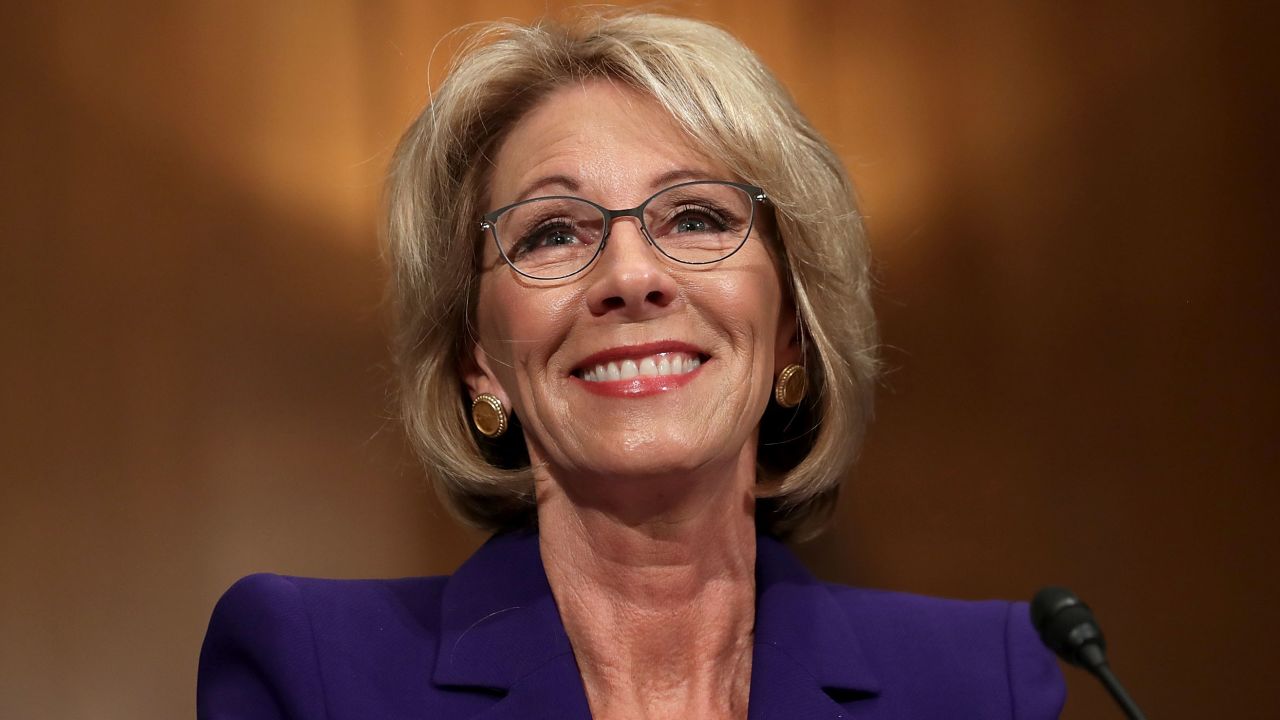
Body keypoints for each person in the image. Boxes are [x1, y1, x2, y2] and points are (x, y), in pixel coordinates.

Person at [197, 11, 1065, 719]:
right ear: (477, 360)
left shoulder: (985, 683)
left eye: (694, 218)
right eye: (552, 232)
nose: (632, 278)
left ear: (793, 326)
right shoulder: (315, 672)